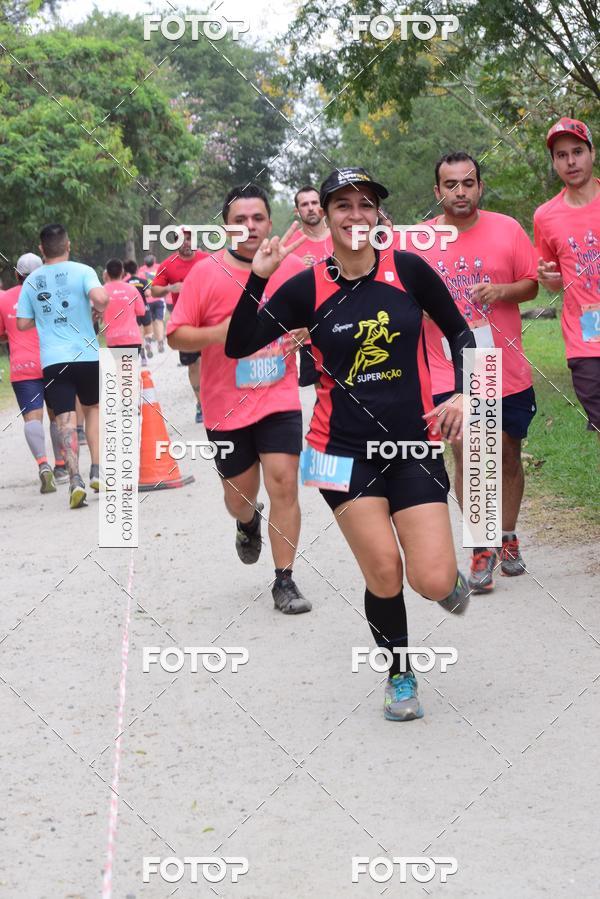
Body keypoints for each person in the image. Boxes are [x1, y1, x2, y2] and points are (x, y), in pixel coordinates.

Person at [225, 167, 474, 722]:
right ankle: (400, 674)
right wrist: (257, 279)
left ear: (378, 215)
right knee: (383, 569)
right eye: (343, 206)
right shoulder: (306, 287)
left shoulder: (407, 269)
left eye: (366, 205)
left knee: (431, 579)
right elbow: (240, 343)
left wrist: (459, 393)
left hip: (413, 443)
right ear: (328, 217)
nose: (355, 215)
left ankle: (445, 578)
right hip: (337, 452)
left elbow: (460, 331)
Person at [167, 184, 312, 614]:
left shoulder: (293, 269)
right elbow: (176, 335)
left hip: (278, 396)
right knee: (240, 498)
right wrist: (226, 332)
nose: (249, 228)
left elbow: (320, 317)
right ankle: (248, 523)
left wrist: (309, 332)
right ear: (225, 227)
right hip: (225, 404)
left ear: (270, 222)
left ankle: (284, 580)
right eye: (239, 221)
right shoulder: (206, 273)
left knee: (284, 481)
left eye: (258, 219)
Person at [410, 152, 538, 593]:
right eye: (450, 184)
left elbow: (531, 283)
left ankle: (506, 536)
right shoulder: (419, 241)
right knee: (469, 453)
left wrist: (502, 290)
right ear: (437, 191)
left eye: (468, 183)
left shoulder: (507, 229)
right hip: (452, 366)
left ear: (480, 187)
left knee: (506, 454)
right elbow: (399, 292)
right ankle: (481, 548)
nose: (460, 191)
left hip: (504, 364)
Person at [16, 224, 108, 508]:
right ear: (68, 245)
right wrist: (96, 308)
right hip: (86, 354)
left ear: (42, 249)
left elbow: (21, 324)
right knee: (91, 409)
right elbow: (101, 299)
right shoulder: (83, 270)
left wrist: (43, 319)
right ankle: (96, 469)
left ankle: (74, 479)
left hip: (53, 360)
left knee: (64, 419)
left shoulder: (31, 281)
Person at [534, 118, 600, 441]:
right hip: (586, 337)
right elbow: (556, 280)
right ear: (554, 163)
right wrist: (549, 279)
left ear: (592, 152)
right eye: (561, 155)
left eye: (577, 151)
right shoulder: (545, 216)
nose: (570, 161)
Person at [0, 253, 66, 491]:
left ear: (16, 275)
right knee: (58, 416)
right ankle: (61, 466)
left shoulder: (4, 299)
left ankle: (43, 465)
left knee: (32, 418)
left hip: (23, 367)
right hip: (54, 362)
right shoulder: (56, 295)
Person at [151, 230, 208, 423]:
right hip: (185, 320)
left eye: (189, 238)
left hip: (208, 318)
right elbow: (154, 289)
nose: (186, 243)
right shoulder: (168, 265)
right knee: (194, 364)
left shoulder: (207, 259)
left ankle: (215, 399)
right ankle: (201, 404)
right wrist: (169, 288)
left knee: (213, 361)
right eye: (182, 240)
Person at [102, 259, 146, 349]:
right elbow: (141, 311)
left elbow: (95, 311)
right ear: (122, 272)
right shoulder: (132, 289)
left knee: (117, 363)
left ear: (106, 274)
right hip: (132, 338)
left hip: (113, 339)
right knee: (127, 363)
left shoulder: (101, 291)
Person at [123, 259, 152, 364]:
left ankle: (143, 358)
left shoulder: (125, 283)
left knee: (139, 334)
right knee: (149, 331)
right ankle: (149, 342)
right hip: (144, 308)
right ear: (137, 269)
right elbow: (148, 294)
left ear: (126, 271)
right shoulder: (143, 281)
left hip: (133, 311)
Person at [139, 253, 165, 351]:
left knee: (150, 322)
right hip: (159, 298)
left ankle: (149, 341)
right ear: (154, 260)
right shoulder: (159, 267)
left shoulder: (141, 270)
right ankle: (160, 341)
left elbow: (140, 285)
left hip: (147, 300)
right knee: (159, 321)